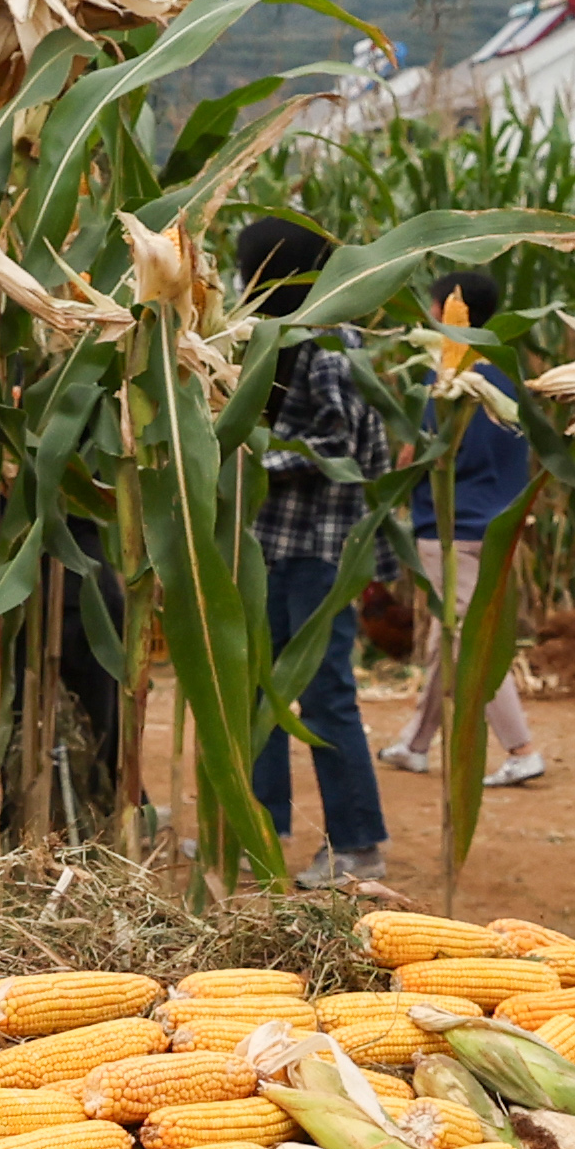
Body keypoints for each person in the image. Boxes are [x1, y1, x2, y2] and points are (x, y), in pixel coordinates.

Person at [234, 215, 396, 894]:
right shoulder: (276, 340)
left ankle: (358, 847)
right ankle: (261, 829)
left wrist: (248, 455)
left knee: (326, 694)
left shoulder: (329, 348)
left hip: (322, 552)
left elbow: (339, 451)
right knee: (258, 690)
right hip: (270, 545)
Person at [381, 267, 547, 788]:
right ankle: (415, 743)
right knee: (446, 637)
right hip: (500, 523)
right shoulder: (505, 370)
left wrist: (401, 475)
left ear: (446, 311)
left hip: (451, 529)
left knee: (472, 639)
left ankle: (521, 748)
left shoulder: (445, 381)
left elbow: (428, 453)